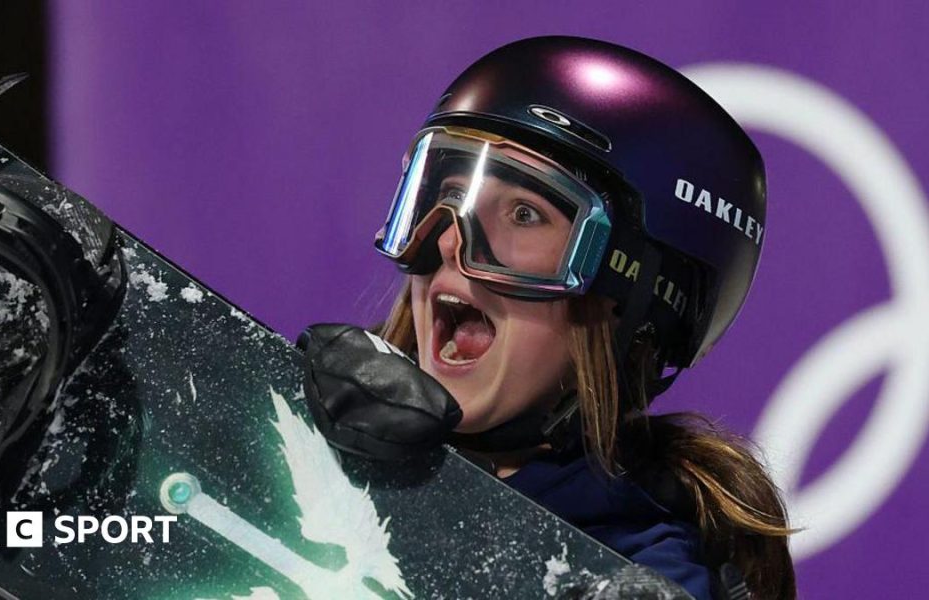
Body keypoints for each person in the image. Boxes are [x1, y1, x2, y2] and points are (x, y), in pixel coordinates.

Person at [298, 36, 796, 599]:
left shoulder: (636, 575)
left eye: (524, 213)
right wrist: (269, 429)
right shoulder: (319, 431)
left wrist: (418, 525)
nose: (451, 242)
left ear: (640, 297)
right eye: (447, 195)